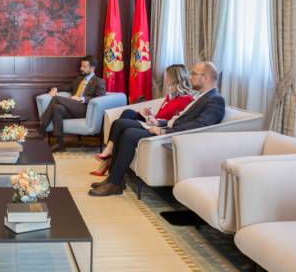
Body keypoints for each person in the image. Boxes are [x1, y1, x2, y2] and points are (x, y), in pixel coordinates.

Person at [89, 61, 226, 197]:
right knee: (121, 124)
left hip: (175, 137)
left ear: (205, 77)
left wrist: (164, 131)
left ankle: (115, 183)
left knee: (129, 134)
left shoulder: (215, 99)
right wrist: (160, 123)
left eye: (194, 74)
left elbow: (200, 125)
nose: (190, 77)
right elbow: (179, 120)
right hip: (169, 129)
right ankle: (113, 179)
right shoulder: (202, 96)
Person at [91, 64, 194, 176]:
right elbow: (163, 114)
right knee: (128, 112)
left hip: (159, 127)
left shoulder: (186, 100)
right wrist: (151, 115)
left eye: (168, 77)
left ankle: (108, 156)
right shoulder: (171, 96)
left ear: (175, 79)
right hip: (153, 121)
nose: (166, 79)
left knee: (119, 123)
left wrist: (157, 121)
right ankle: (109, 152)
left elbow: (175, 121)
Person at [39, 55, 107, 152]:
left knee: (56, 98)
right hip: (73, 108)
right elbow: (67, 87)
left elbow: (100, 98)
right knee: (57, 108)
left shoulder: (99, 81)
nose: (81, 68)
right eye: (81, 66)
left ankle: (41, 130)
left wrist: (82, 99)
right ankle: (60, 143)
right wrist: (56, 88)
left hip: (85, 109)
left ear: (92, 68)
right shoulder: (79, 79)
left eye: (84, 66)